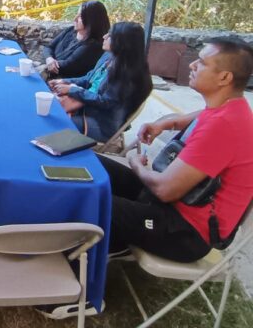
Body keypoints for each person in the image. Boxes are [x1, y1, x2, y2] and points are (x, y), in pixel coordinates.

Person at [100, 37, 253, 262]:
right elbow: (184, 119)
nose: (192, 65)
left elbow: (164, 190)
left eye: (201, 62)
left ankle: (84, 268)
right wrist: (163, 124)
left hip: (184, 231)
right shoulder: (228, 109)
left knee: (91, 199)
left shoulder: (225, 126)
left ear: (224, 77)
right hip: (167, 205)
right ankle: (113, 239)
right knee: (92, 164)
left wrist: (137, 165)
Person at [50, 22, 152, 143]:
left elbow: (105, 101)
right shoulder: (109, 56)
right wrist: (64, 82)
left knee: (56, 124)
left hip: (102, 123)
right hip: (87, 109)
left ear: (122, 42)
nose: (104, 37)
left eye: (110, 35)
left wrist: (73, 90)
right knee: (51, 110)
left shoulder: (127, 75)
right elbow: (88, 78)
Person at [43, 1, 110, 78]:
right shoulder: (71, 30)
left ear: (91, 20)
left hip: (62, 82)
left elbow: (66, 66)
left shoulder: (93, 46)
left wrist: (49, 61)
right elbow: (48, 46)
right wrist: (49, 58)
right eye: (77, 14)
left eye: (80, 16)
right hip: (49, 69)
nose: (75, 19)